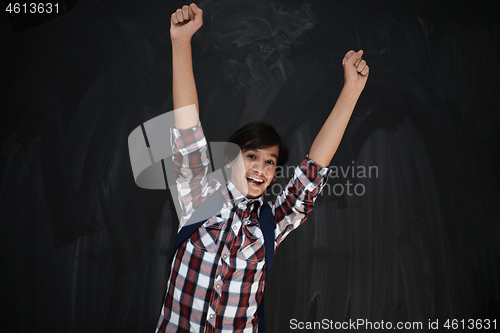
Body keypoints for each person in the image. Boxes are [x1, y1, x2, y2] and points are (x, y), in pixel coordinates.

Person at [156, 3, 369, 332]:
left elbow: (314, 168)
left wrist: (352, 90)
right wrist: (181, 42)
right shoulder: (198, 195)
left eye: (270, 162)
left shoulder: (272, 224)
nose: (260, 168)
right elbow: (187, 128)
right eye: (251, 156)